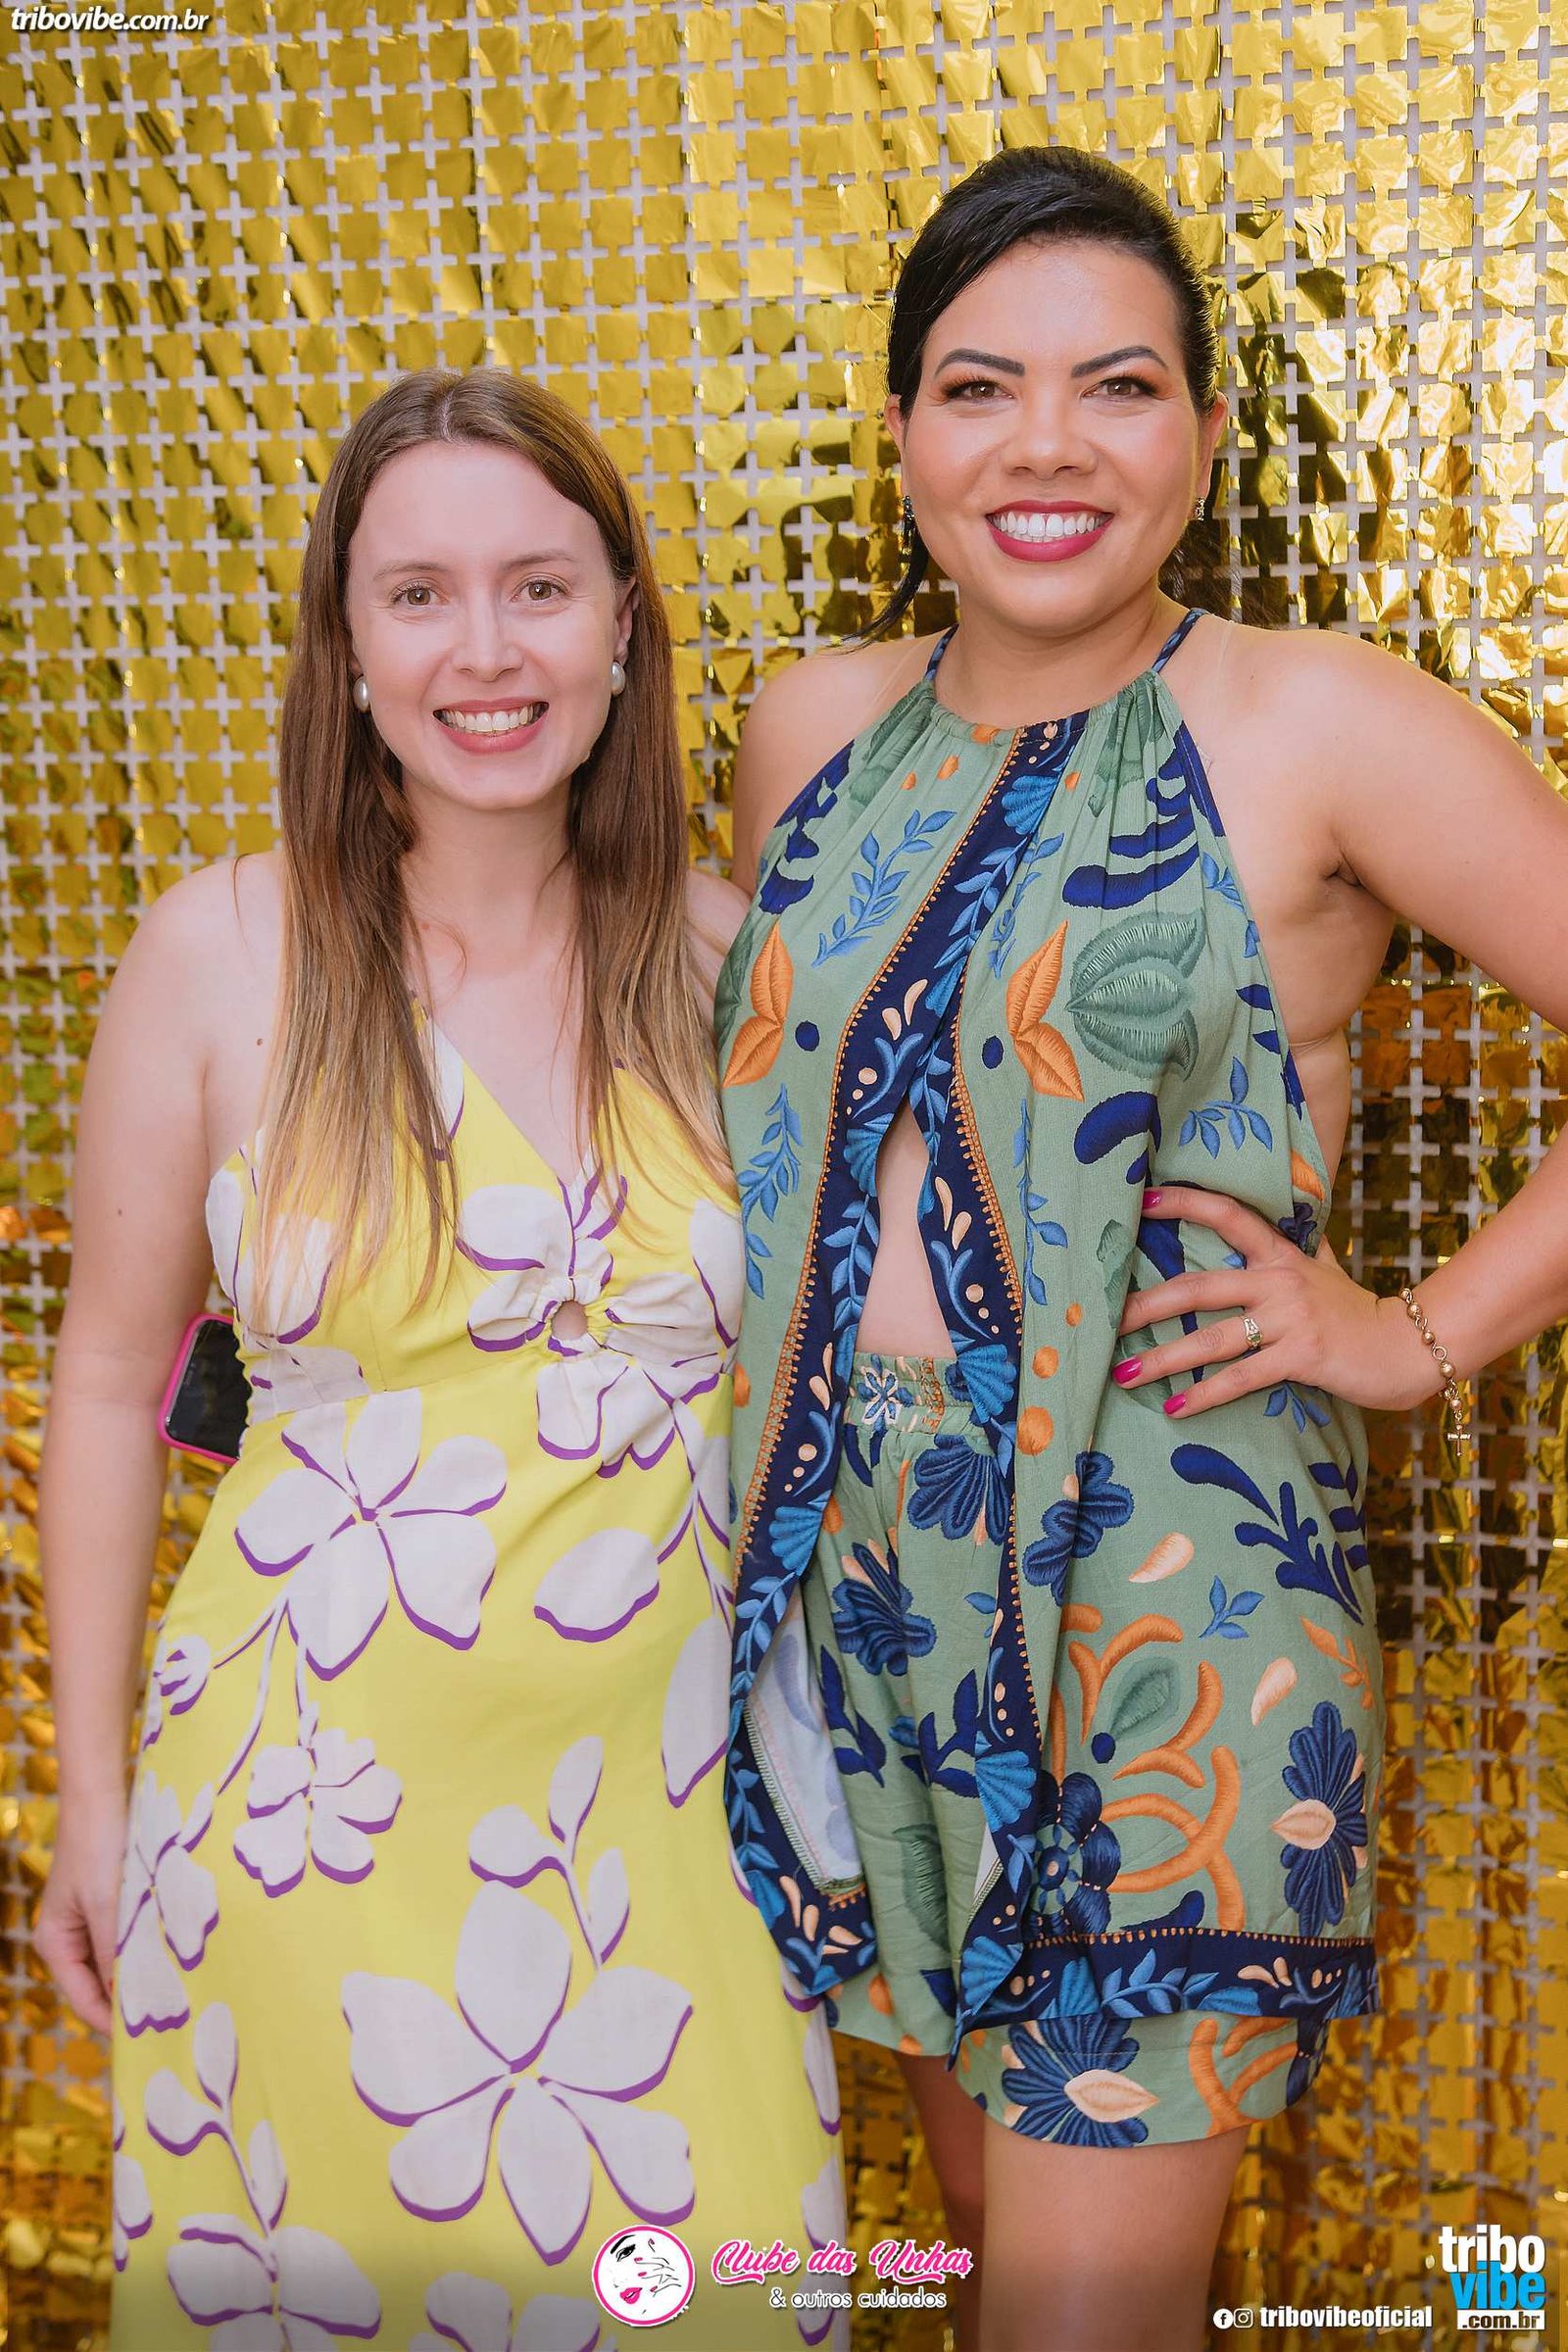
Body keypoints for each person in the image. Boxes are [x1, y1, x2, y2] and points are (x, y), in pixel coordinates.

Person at [718, 145, 1568, 2352]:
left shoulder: (1318, 723)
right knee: (996, 2269)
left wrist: (1410, 1333)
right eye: (979, 387)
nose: (1047, 445)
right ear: (900, 433)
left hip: (1170, 1628)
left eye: (1116, 386)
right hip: (878, 1627)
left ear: (1197, 435)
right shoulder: (807, 732)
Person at [36, 368, 844, 2352]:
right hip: (298, 1840)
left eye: (537, 588)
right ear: (347, 644)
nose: (486, 651)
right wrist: (91, 1799)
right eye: (419, 595)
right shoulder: (221, 955)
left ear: (622, 624)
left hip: (674, 1838)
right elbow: (109, 1387)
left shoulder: (734, 963)